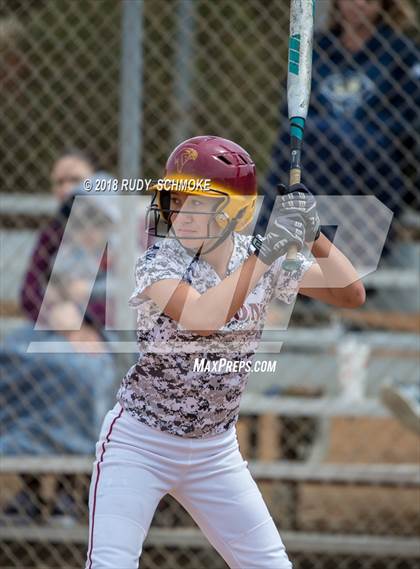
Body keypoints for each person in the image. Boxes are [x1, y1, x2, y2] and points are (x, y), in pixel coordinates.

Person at [85, 135, 365, 568]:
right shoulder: (158, 262)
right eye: (176, 201)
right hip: (140, 443)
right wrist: (268, 252)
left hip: (215, 452)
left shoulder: (258, 258)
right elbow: (202, 318)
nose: (182, 214)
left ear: (233, 210)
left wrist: (314, 234)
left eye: (198, 203)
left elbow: (350, 294)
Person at [261, 0, 419, 264]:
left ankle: (270, 245)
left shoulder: (402, 54)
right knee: (305, 139)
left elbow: (406, 125)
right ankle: (288, 250)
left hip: (376, 166)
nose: (359, 3)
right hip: (319, 159)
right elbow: (289, 110)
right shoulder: (318, 50)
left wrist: (349, 135)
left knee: (320, 135)